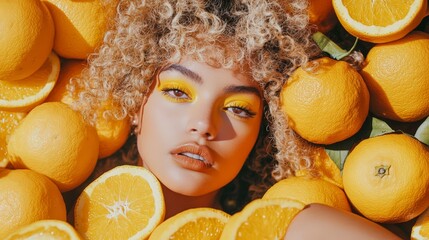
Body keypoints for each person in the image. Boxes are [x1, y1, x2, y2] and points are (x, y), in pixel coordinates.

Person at [70, 0, 403, 239]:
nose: (203, 125)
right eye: (177, 92)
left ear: (264, 133)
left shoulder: (288, 230)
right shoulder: (55, 218)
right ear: (137, 102)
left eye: (238, 109)